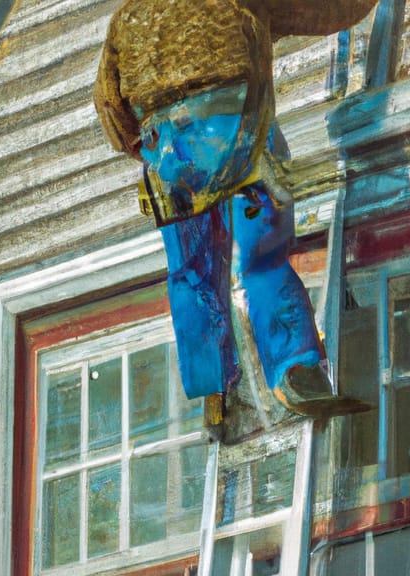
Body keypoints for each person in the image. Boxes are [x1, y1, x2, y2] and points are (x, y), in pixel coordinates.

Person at [93, 0, 377, 419]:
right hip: (235, 132)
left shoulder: (127, 19)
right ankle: (294, 370)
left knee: (190, 269)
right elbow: (327, 12)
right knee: (261, 256)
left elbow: (111, 111)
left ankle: (214, 390)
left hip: (168, 149)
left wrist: (149, 153)